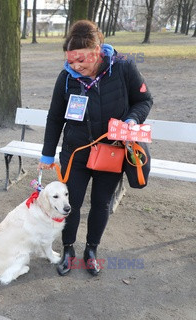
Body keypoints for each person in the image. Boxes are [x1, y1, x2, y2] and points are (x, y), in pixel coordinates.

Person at [37, 20, 152, 276]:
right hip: (75, 152)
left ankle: (91, 250)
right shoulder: (67, 78)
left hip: (111, 152)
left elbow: (144, 100)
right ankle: (68, 250)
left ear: (97, 50)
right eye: (71, 61)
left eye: (81, 61)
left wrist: (132, 120)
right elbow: (55, 117)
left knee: (101, 203)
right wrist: (47, 153)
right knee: (71, 204)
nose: (75, 67)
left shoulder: (123, 67)